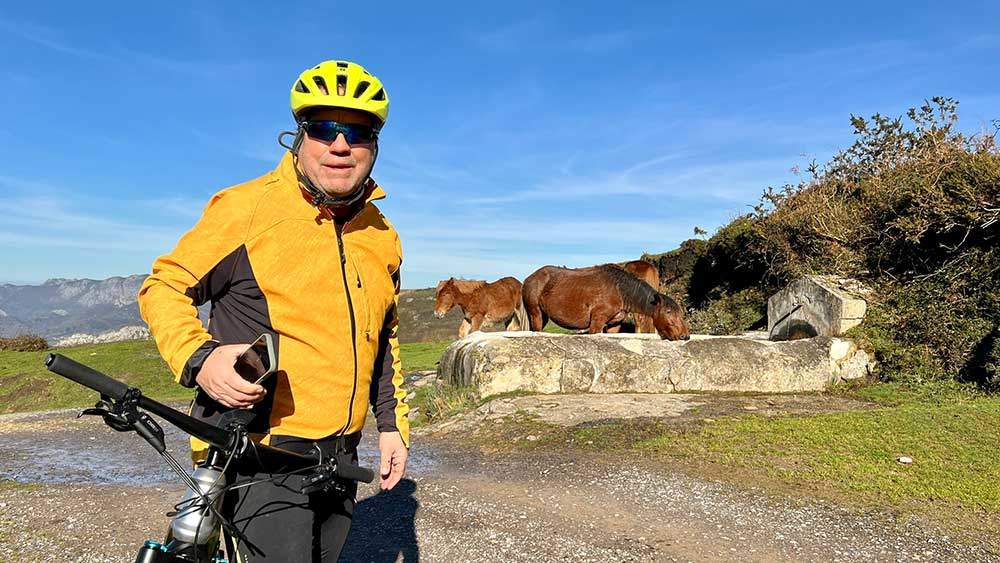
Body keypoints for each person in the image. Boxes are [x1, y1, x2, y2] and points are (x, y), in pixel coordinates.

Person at [137, 59, 409, 561]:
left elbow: (383, 336)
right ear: (298, 136)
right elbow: (164, 286)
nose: (341, 144)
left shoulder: (381, 234)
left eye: (359, 131)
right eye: (325, 128)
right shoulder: (247, 209)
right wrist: (201, 357)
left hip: (340, 459)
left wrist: (390, 426)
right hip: (258, 456)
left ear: (375, 144)